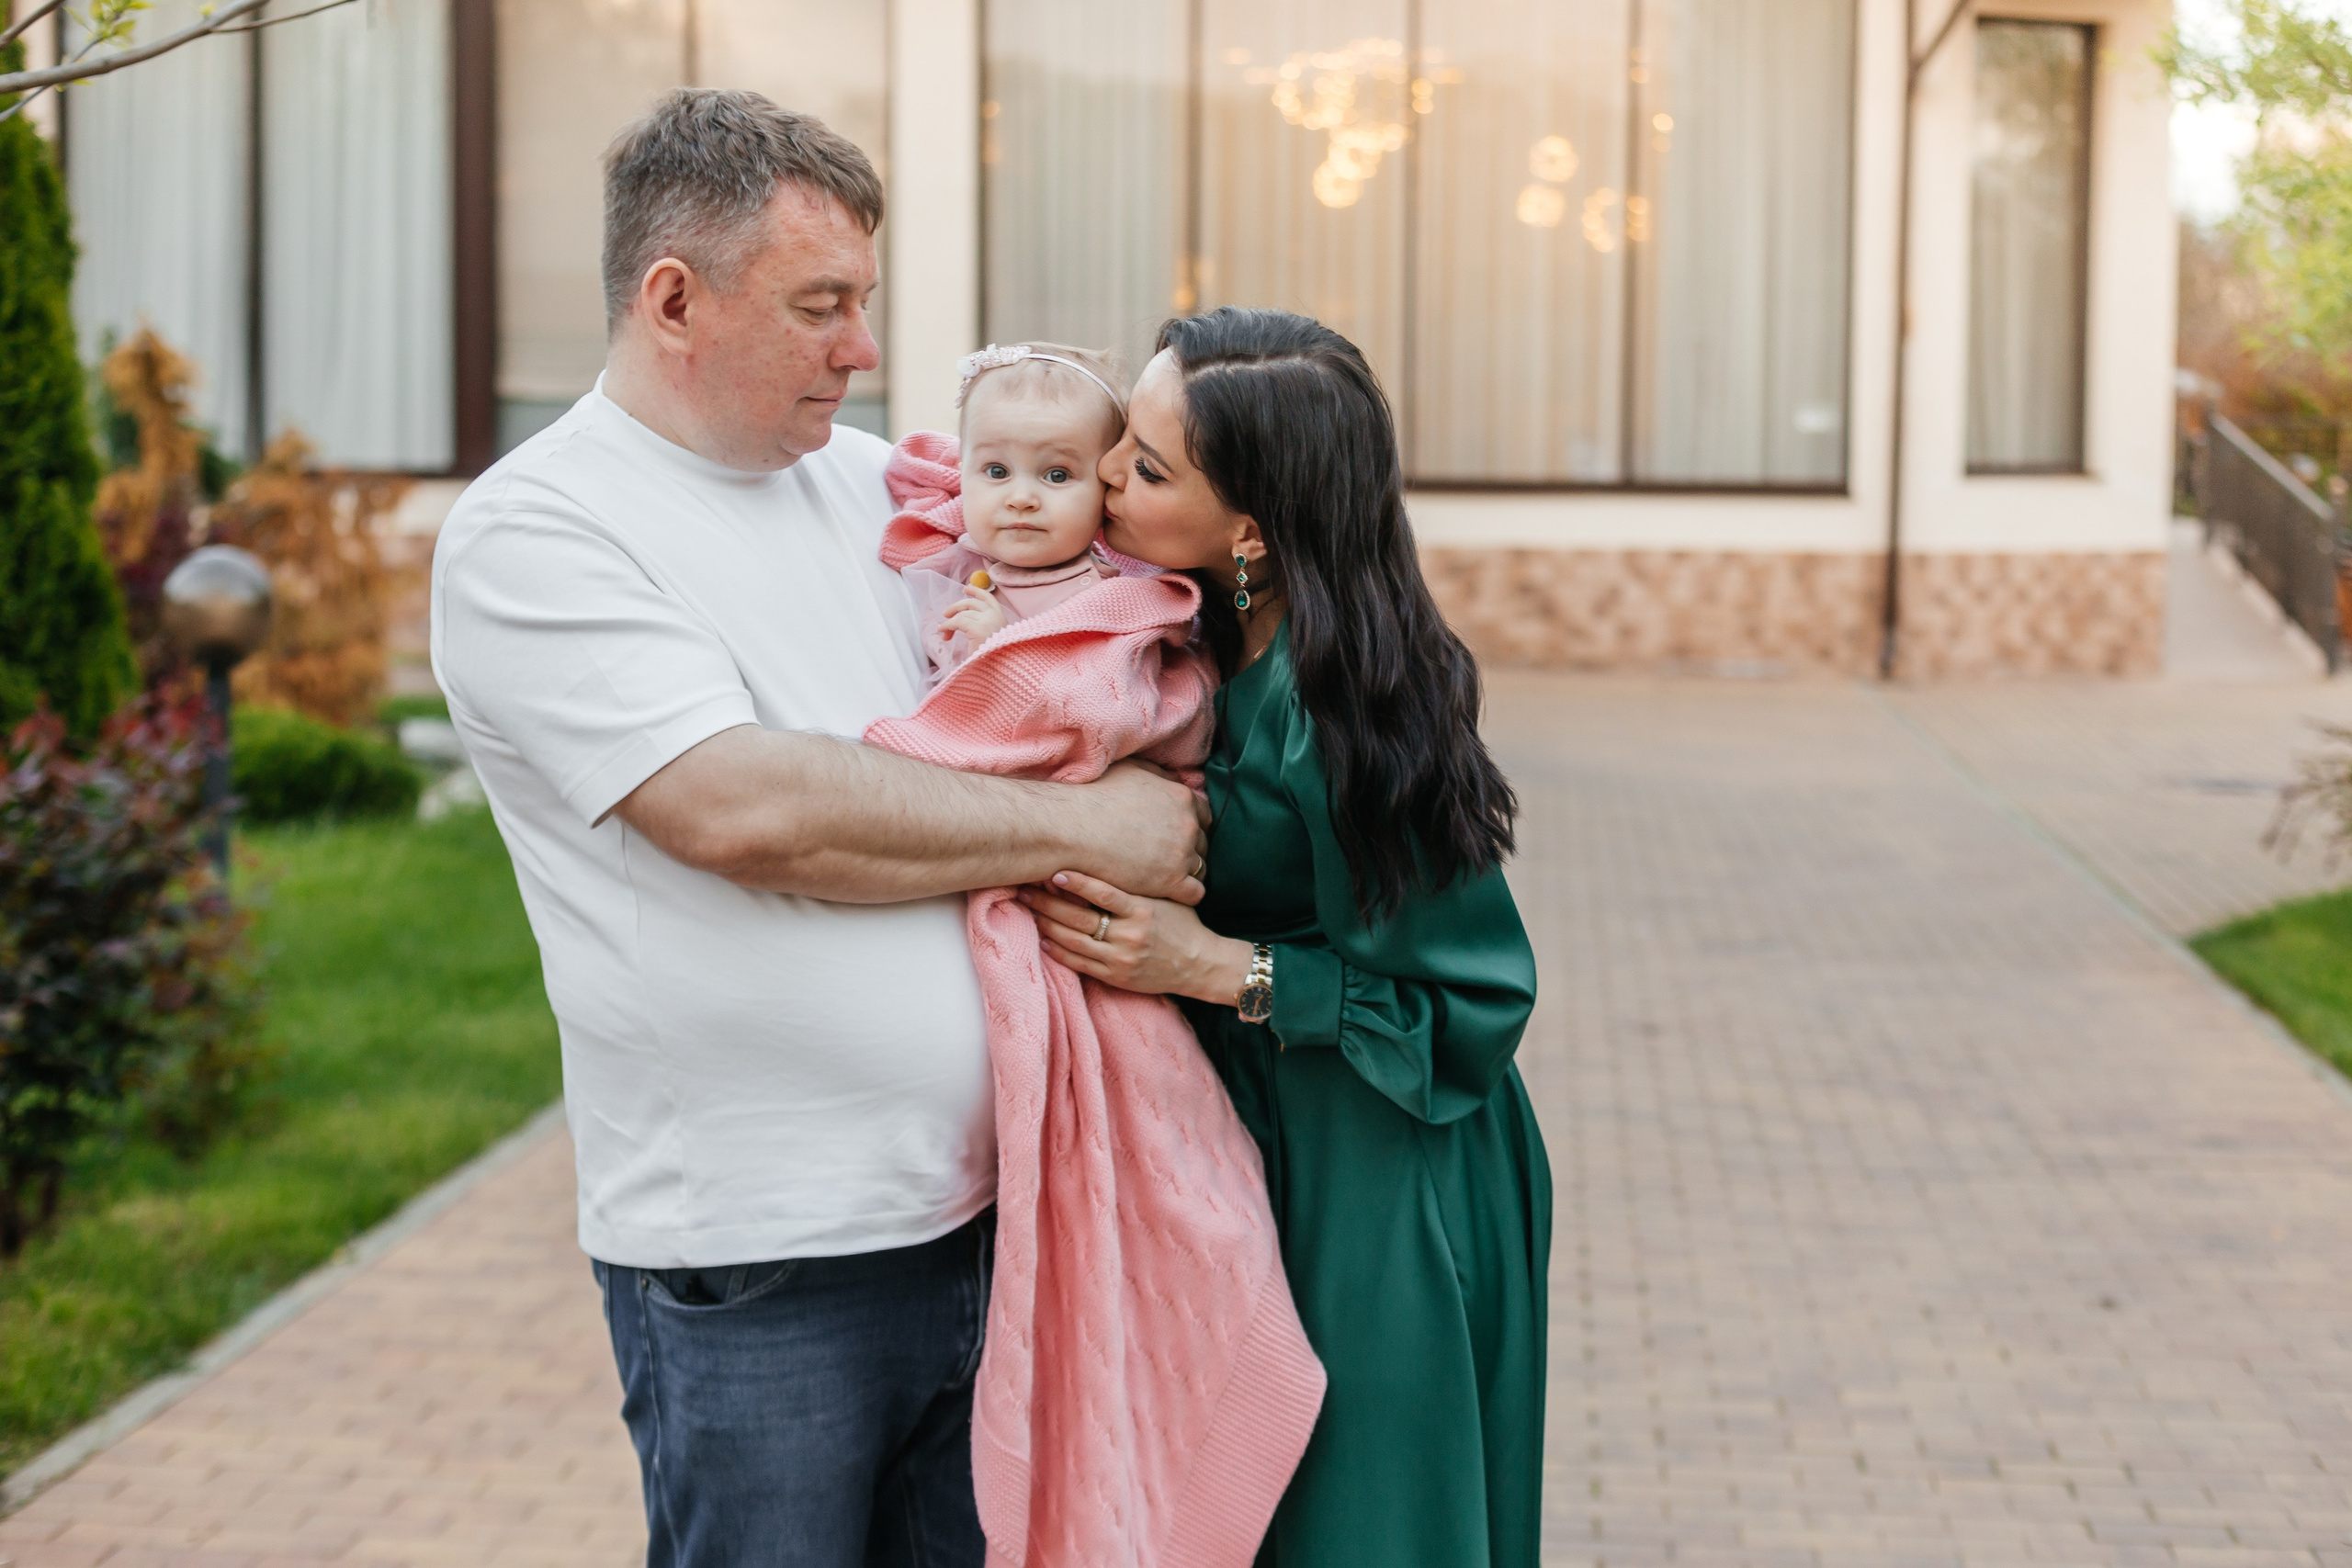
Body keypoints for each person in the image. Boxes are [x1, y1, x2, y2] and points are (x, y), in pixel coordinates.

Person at [428, 89, 1204, 1568]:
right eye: (821, 305)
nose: (862, 347)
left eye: (866, 302)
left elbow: (1090, 622)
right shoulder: (540, 529)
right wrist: (1095, 826)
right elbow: (750, 808)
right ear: (674, 299)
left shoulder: (878, 488)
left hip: (994, 1218)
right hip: (760, 1261)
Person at [1020, 306, 1552, 1568]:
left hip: (1386, 1165)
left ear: (1249, 530)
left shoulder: (1344, 711)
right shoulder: (1194, 620)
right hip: (1255, 1133)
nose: (1102, 475)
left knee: (1360, 1523)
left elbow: (1467, 1010)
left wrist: (1210, 964)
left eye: (1146, 468)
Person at [896, 344, 1126, 683]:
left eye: (1057, 475)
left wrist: (1001, 649)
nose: (1021, 499)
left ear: (1106, 490)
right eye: (997, 471)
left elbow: (1097, 705)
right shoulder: (944, 566)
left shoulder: (1104, 604)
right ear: (962, 475)